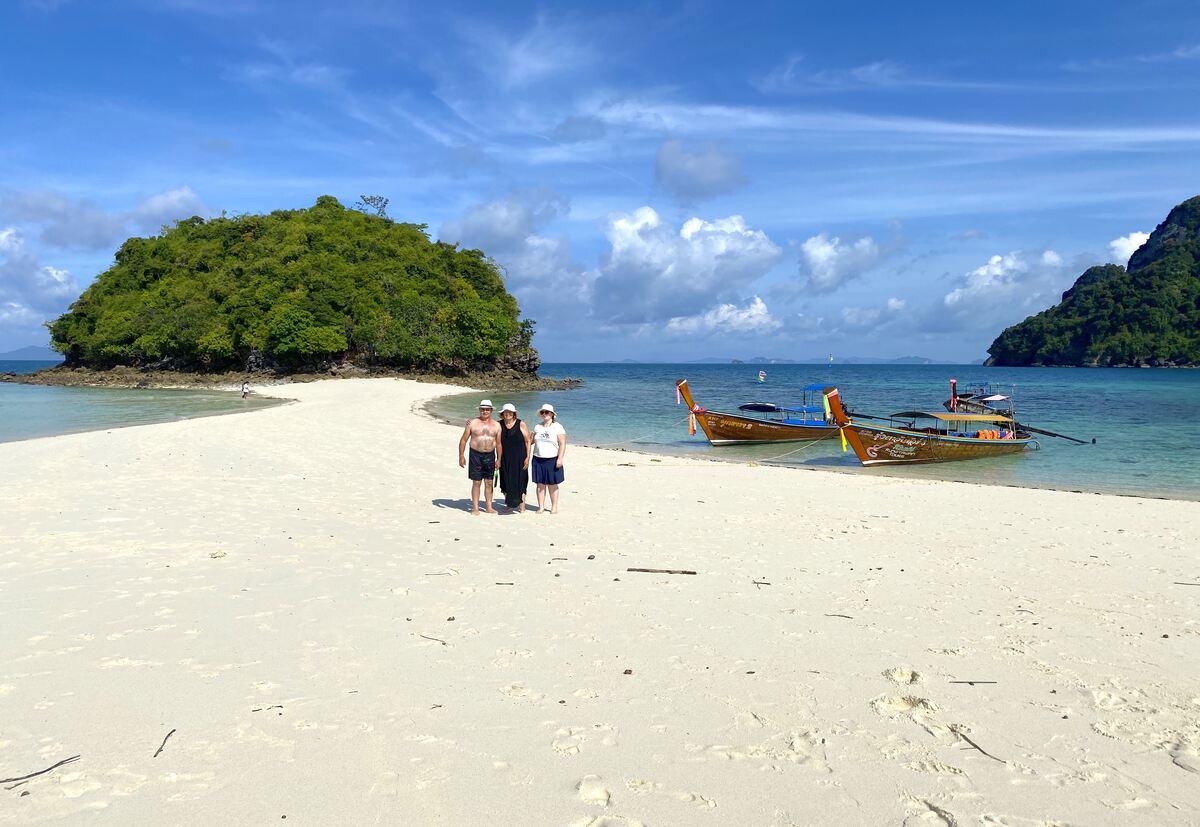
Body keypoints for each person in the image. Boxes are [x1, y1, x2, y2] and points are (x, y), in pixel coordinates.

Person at [458, 399, 501, 514]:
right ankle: (475, 508)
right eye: (483, 409)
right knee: (476, 482)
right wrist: (461, 456)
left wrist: (499, 459)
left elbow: (499, 443)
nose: (485, 411)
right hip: (475, 455)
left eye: (487, 409)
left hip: (490, 456)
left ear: (491, 410)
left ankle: (489, 507)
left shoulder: (497, 425)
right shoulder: (472, 423)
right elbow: (463, 440)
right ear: (479, 410)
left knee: (489, 482)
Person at [531, 403, 566, 514]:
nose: (544, 414)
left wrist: (560, 458)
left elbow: (562, 443)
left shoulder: (557, 427)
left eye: (547, 412)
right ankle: (541, 507)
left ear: (552, 414)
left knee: (552, 484)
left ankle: (554, 507)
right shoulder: (537, 426)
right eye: (542, 412)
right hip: (538, 458)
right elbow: (530, 441)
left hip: (552, 459)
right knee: (540, 484)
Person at [497, 403, 532, 512]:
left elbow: (528, 441)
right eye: (505, 412)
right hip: (504, 457)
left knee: (521, 480)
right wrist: (470, 421)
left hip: (520, 457)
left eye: (510, 412)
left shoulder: (521, 424)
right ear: (502, 414)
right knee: (506, 479)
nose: (508, 414)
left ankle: (522, 506)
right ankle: (509, 504)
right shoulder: (498, 424)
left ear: (514, 414)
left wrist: (528, 457)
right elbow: (485, 422)